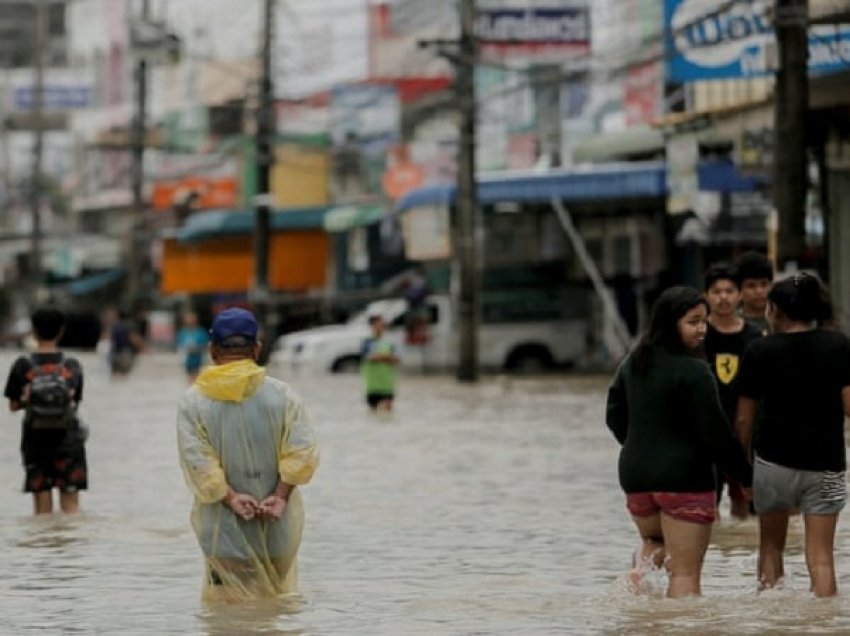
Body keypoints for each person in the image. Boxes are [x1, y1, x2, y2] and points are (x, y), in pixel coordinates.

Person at [605, 286, 752, 598]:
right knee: (684, 573)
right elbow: (717, 434)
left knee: (655, 544)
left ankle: (636, 584)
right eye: (693, 322)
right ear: (670, 323)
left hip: (637, 477)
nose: (702, 329)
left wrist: (640, 444)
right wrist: (747, 476)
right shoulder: (694, 371)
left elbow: (614, 416)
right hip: (685, 478)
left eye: (704, 321)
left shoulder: (632, 364)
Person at [176, 307, 319, 601]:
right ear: (257, 348)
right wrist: (279, 497)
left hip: (223, 534)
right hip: (277, 528)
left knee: (229, 619)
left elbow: (199, 464)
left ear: (213, 349)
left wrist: (230, 498)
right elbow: (302, 455)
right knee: (272, 616)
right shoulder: (284, 395)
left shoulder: (193, 402)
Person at [735, 272, 850, 597]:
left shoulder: (759, 350)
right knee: (822, 558)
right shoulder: (838, 344)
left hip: (773, 464)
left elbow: (744, 419)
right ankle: (824, 627)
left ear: (775, 309)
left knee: (770, 549)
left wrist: (741, 470)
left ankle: (773, 624)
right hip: (827, 465)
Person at [3, 307, 88, 514]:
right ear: (61, 331)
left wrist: (28, 400)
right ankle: (70, 547)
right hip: (68, 443)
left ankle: (44, 545)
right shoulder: (72, 366)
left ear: (33, 331)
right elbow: (74, 403)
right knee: (71, 510)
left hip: (35, 442)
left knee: (42, 514)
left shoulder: (22, 365)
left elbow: (13, 406)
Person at [702, 263, 763, 519]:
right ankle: (717, 558)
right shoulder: (698, 333)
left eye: (729, 290)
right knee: (707, 509)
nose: (723, 297)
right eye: (716, 291)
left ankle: (737, 558)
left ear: (739, 295)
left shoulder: (754, 336)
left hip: (745, 434)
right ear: (706, 296)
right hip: (706, 434)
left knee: (744, 510)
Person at [361, 315, 398, 412]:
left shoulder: (390, 342)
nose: (380, 327)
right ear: (372, 326)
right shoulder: (367, 342)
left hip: (387, 385)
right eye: (377, 324)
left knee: (387, 413)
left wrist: (382, 357)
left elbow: (396, 359)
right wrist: (386, 357)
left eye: (382, 325)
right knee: (373, 413)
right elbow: (369, 358)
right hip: (372, 386)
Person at [734, 251, 774, 335]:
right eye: (751, 286)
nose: (759, 291)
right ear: (739, 290)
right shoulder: (732, 322)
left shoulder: (781, 321)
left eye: (764, 284)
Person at [176, 310, 209, 383]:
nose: (189, 321)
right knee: (190, 378)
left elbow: (205, 345)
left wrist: (196, 348)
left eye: (191, 319)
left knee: (195, 377)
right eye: (188, 319)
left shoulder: (201, 332)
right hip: (187, 359)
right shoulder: (182, 332)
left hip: (198, 359)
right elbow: (179, 345)